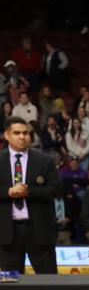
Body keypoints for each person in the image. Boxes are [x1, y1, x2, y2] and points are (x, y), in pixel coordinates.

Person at [0, 116, 60, 274]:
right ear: (7, 135)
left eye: (25, 133)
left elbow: (56, 190)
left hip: (39, 231)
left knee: (49, 282)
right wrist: (8, 192)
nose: (22, 136)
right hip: (8, 234)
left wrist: (29, 192)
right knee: (11, 285)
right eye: (17, 133)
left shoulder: (45, 160)